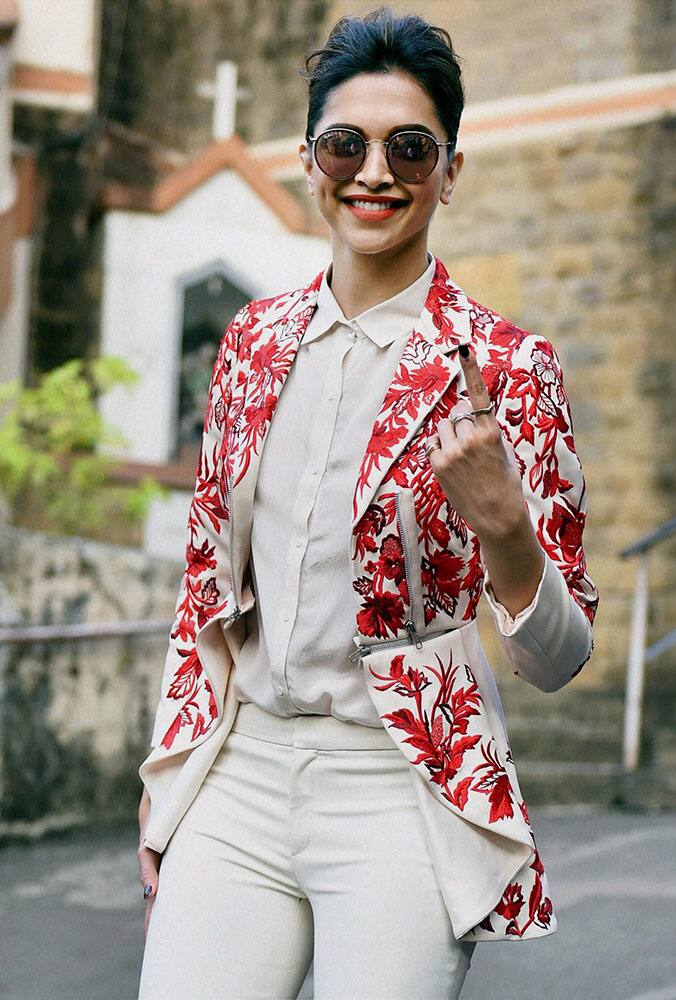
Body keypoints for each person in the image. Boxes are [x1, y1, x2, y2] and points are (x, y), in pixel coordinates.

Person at [136, 7, 599, 999]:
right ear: (310, 160)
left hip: (399, 789)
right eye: (345, 143)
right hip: (240, 778)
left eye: (410, 147)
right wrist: (172, 783)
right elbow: (203, 589)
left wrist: (507, 530)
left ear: (451, 170)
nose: (374, 171)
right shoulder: (252, 344)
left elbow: (559, 657)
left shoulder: (509, 370)